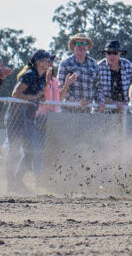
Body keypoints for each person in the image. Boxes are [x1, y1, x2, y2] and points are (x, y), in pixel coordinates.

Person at [5, 50, 53, 192]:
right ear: (38, 62)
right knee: (15, 150)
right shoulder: (30, 74)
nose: (49, 62)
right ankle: (10, 183)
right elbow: (16, 93)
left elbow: (37, 95)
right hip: (16, 117)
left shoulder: (41, 76)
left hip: (28, 118)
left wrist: (39, 97)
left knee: (31, 151)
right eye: (46, 60)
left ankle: (18, 180)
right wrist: (35, 97)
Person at [94, 40, 132, 109]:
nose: (112, 56)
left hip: (123, 109)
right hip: (103, 109)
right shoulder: (98, 67)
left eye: (115, 53)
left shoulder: (128, 65)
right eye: (109, 53)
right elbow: (95, 90)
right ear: (105, 54)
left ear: (120, 53)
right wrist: (113, 103)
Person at [57, 32, 98, 107]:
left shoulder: (94, 64)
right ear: (73, 46)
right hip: (69, 108)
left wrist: (100, 101)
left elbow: (98, 86)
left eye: (84, 44)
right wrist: (76, 101)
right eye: (78, 44)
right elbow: (60, 87)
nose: (81, 46)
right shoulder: (65, 63)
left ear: (88, 46)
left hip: (88, 109)